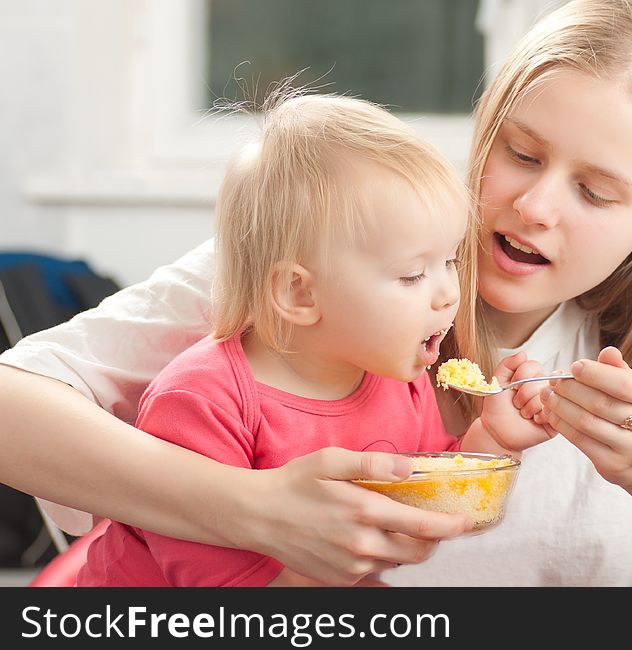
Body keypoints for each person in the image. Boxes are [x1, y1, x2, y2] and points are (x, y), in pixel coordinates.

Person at [0, 0, 632, 587]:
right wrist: (256, 510)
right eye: (521, 153)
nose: (535, 205)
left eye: (596, 193)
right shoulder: (309, 272)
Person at [72, 93, 549, 586]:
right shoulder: (200, 402)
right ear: (299, 292)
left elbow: (427, 489)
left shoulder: (389, 377)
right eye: (412, 275)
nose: (449, 293)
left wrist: (494, 440)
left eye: (450, 261)